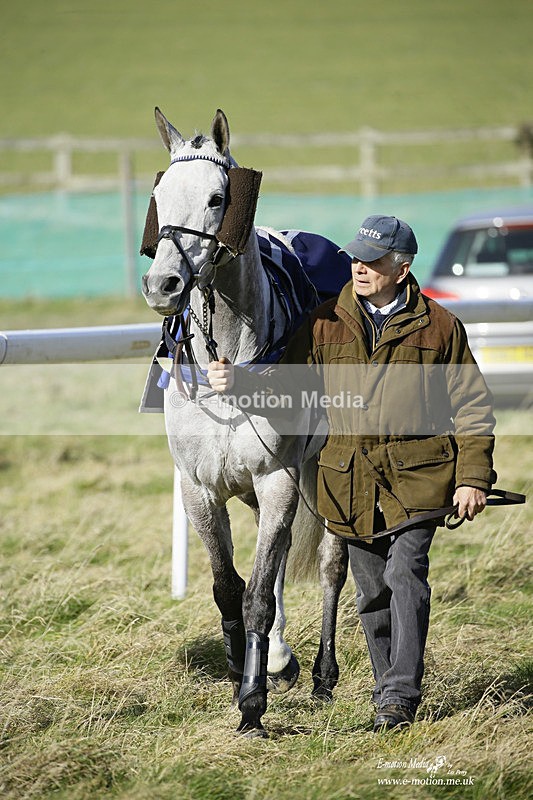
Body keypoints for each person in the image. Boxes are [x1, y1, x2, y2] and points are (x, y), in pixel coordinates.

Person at [207, 215, 496, 732]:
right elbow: (291, 399)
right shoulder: (323, 323)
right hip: (350, 486)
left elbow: (472, 406)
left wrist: (472, 477)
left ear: (402, 268)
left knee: (406, 578)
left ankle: (400, 696)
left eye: (373, 260)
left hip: (419, 478)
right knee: (371, 594)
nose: (359, 267)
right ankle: (389, 694)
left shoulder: (441, 327)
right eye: (357, 258)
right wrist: (241, 385)